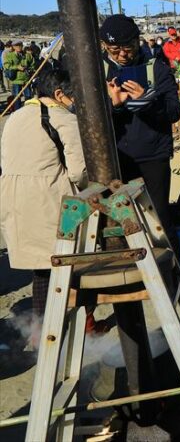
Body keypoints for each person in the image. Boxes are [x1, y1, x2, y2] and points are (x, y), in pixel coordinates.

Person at [0, 68, 86, 347]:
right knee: (62, 264)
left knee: (41, 268)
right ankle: (60, 329)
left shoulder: (15, 116)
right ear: (59, 94)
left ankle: (40, 329)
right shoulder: (60, 117)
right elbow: (79, 171)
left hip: (14, 199)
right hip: (47, 198)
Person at [100, 14, 180, 251]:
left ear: (138, 41)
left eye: (128, 48)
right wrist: (112, 105)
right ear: (104, 46)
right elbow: (81, 114)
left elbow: (174, 111)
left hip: (153, 155)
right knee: (120, 218)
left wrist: (148, 101)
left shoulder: (156, 68)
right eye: (115, 50)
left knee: (158, 215)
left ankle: (172, 268)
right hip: (114, 157)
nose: (122, 55)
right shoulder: (97, 71)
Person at [4, 40, 34, 110]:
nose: (19, 47)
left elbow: (33, 64)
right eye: (17, 46)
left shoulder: (27, 55)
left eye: (20, 45)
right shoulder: (9, 55)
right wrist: (16, 67)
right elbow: (7, 66)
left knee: (28, 96)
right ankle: (18, 111)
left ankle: (28, 110)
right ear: (14, 47)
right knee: (17, 97)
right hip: (16, 80)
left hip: (26, 79)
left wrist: (30, 69)